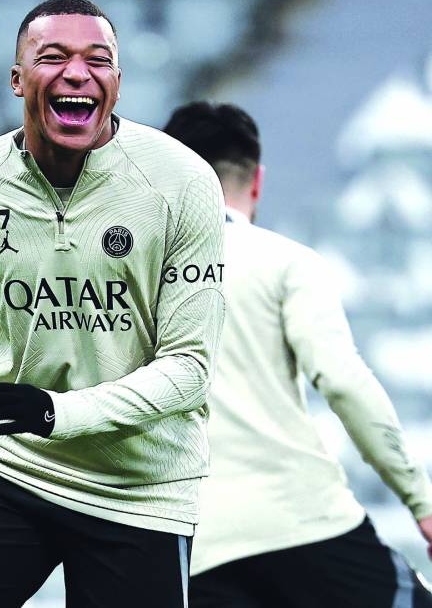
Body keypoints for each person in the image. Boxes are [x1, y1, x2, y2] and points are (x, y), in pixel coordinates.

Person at [0, 0, 226, 608]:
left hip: (140, 487)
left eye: (99, 60)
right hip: (10, 466)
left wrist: (57, 413)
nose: (77, 73)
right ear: (17, 79)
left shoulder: (182, 182)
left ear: (117, 82)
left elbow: (189, 371)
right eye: (53, 56)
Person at [162, 100, 432, 607]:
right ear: (257, 181)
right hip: (303, 522)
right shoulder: (286, 261)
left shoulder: (126, 279)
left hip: (194, 546)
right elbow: (344, 382)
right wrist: (421, 499)